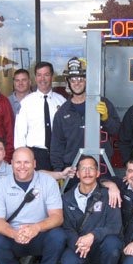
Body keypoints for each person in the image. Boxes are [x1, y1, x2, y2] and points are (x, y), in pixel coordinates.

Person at [0, 147, 66, 264]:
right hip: (13, 235)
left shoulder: (48, 182)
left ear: (34, 163)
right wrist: (14, 234)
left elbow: (57, 217)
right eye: (18, 162)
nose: (22, 167)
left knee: (58, 236)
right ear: (11, 164)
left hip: (40, 234)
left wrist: (35, 228)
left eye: (27, 162)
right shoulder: (0, 186)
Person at [50, 57, 120, 186]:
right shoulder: (62, 112)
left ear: (87, 80)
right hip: (73, 172)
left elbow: (116, 130)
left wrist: (106, 119)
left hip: (101, 170)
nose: (77, 83)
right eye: (73, 79)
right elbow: (56, 147)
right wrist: (58, 172)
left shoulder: (103, 103)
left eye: (81, 79)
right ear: (68, 82)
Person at [61, 155, 123, 264]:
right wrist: (79, 243)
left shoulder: (108, 195)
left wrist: (93, 235)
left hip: (101, 245)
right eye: (83, 169)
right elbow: (67, 228)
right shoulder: (67, 198)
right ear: (77, 174)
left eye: (91, 169)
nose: (87, 172)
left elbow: (115, 226)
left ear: (97, 173)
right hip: (79, 244)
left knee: (113, 244)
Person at [14, 62, 67, 170]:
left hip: (59, 154)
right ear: (35, 77)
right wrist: (22, 159)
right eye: (39, 75)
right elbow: (20, 134)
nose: (42, 79)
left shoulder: (62, 101)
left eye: (46, 75)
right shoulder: (26, 103)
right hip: (35, 155)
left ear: (52, 76)